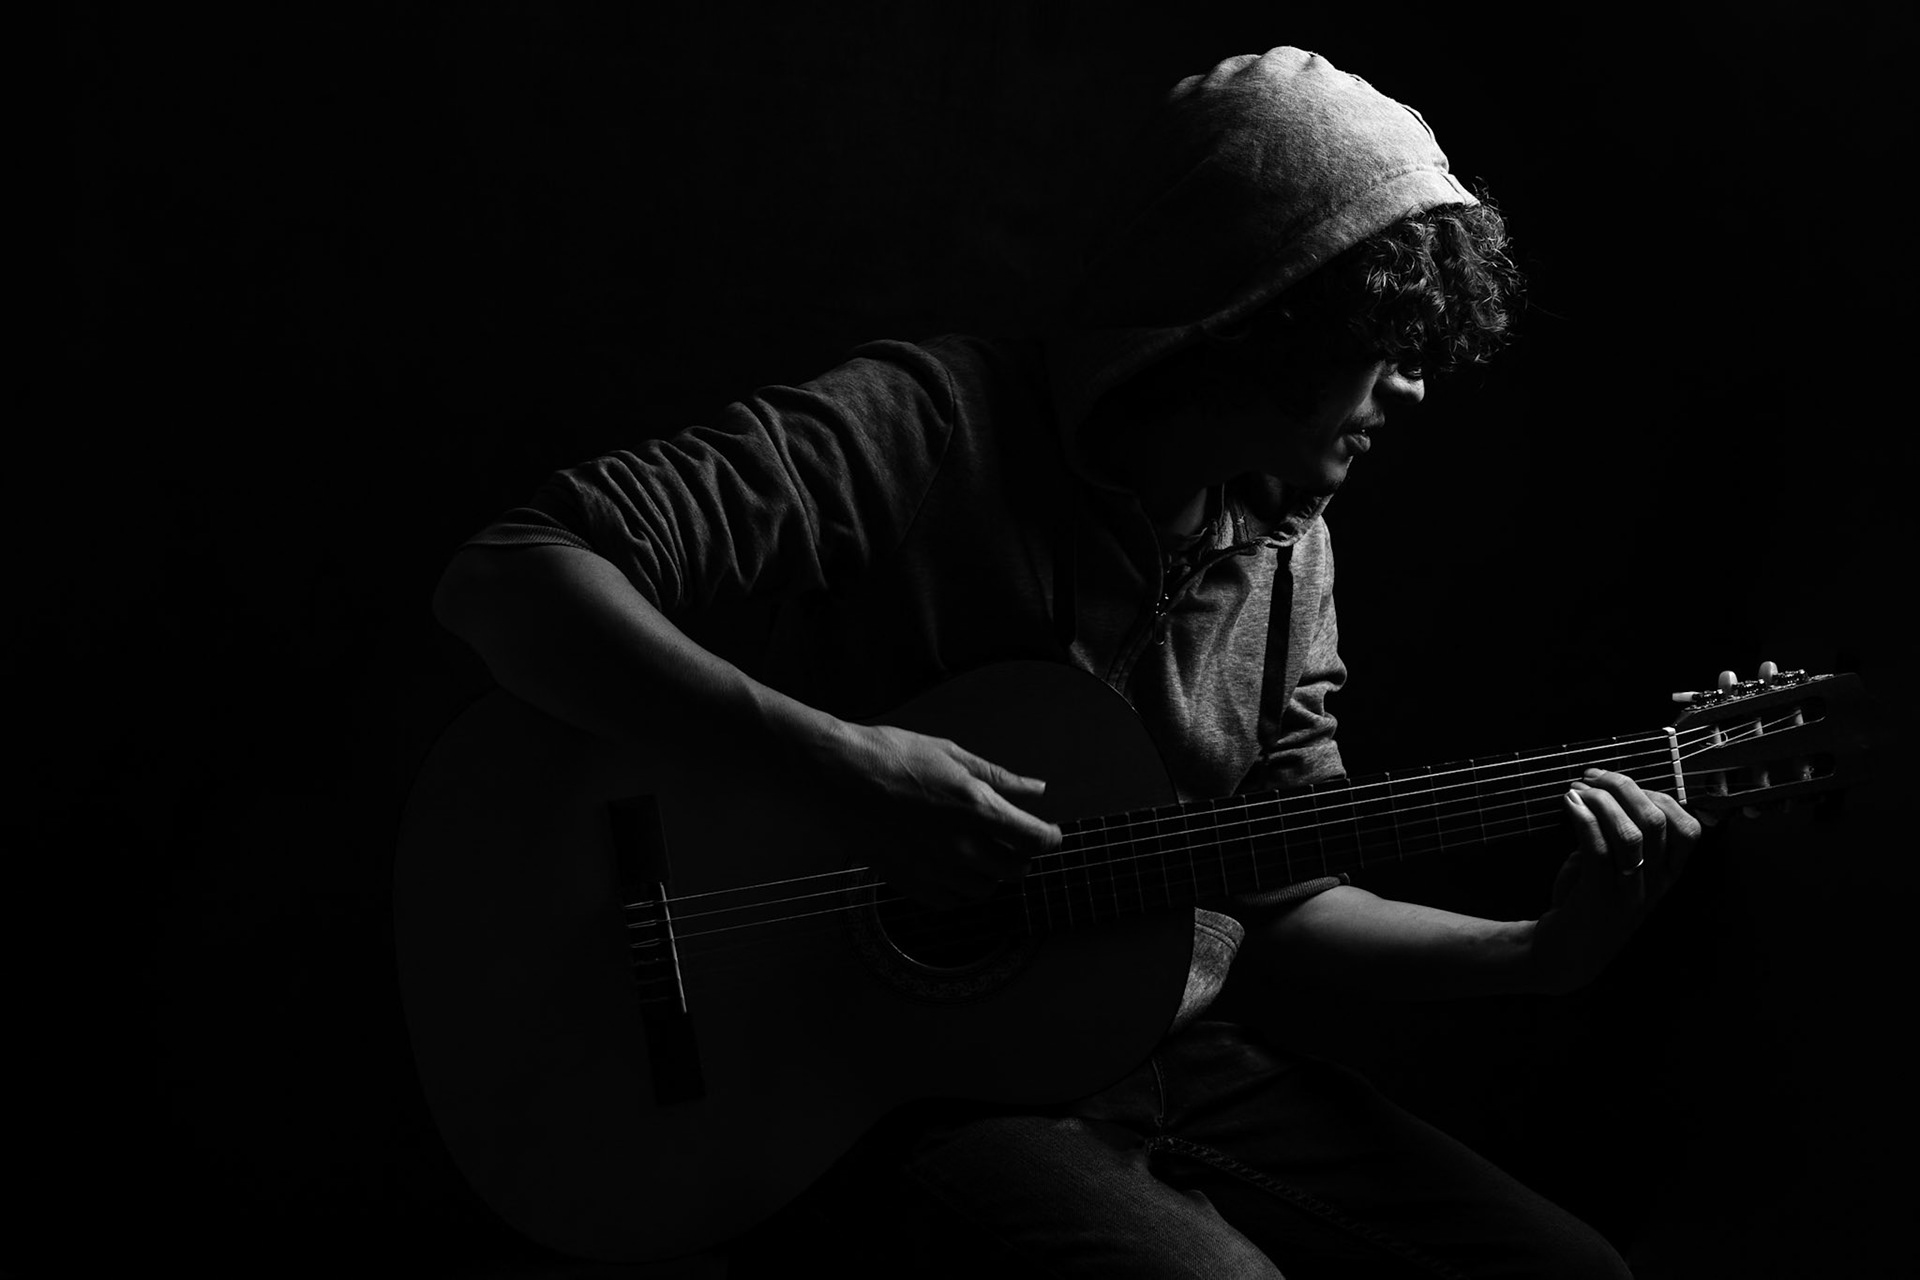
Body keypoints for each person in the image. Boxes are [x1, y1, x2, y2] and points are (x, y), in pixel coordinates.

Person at [433, 46, 1697, 1278]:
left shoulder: (1291, 549)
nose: (1413, 390)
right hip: (859, 1070)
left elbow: (1284, 892)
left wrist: (1533, 953)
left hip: (1151, 1054)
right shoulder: (928, 426)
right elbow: (509, 576)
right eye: (1384, 341)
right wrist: (840, 764)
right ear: (1263, 317)